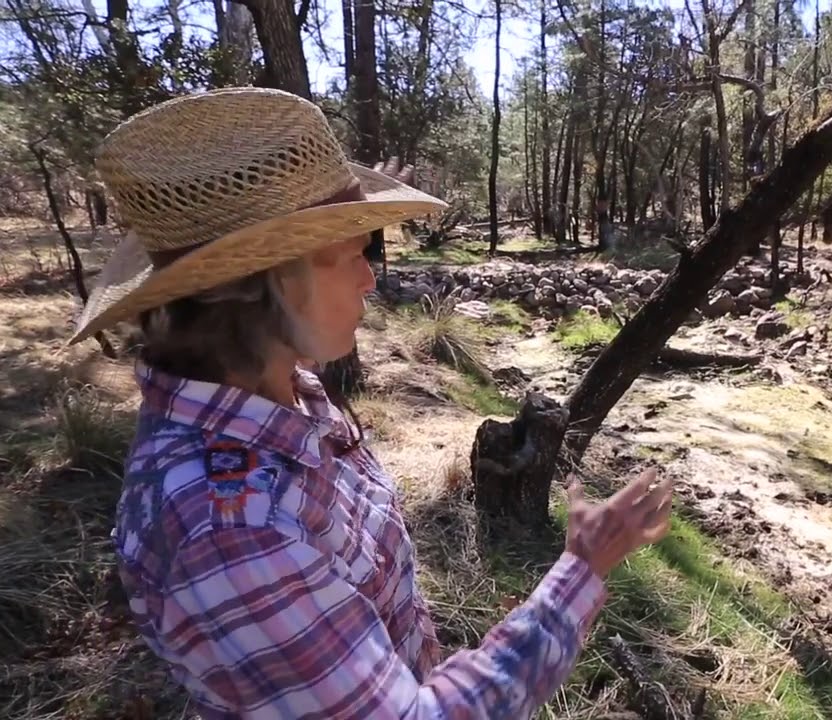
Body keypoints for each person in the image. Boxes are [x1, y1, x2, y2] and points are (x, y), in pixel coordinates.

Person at [68, 87, 673, 719]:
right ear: (274, 280)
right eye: (357, 252)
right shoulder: (229, 529)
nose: (370, 277)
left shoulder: (284, 397)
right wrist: (581, 570)